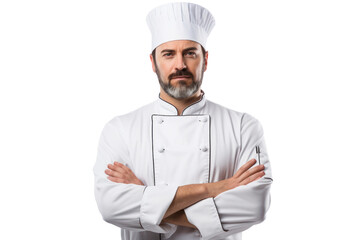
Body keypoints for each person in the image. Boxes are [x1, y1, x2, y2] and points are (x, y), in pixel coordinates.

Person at [93, 2, 272, 240]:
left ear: (205, 59)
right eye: (168, 54)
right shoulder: (120, 129)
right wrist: (217, 188)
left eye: (190, 53)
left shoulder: (242, 126)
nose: (180, 65)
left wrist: (145, 197)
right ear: (153, 62)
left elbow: (254, 207)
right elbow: (110, 206)